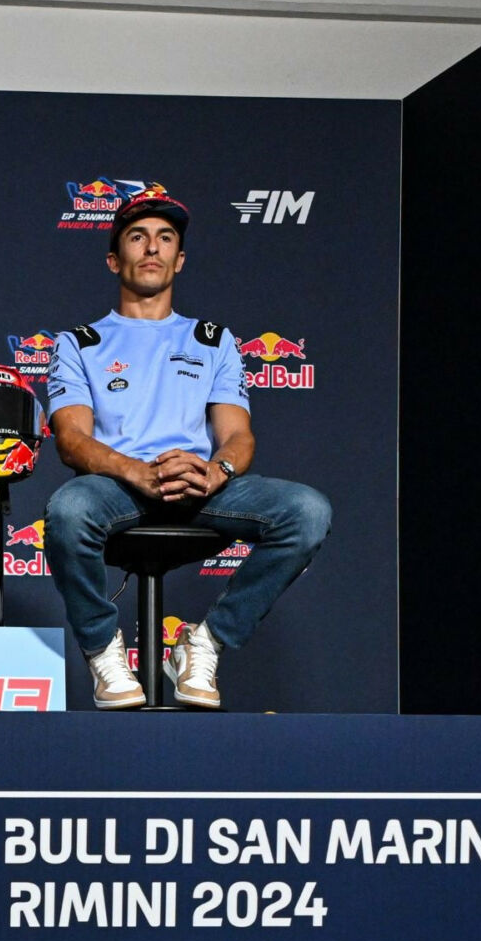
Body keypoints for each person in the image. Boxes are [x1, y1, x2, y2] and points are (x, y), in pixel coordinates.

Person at [44, 187, 331, 710]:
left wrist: (216, 471)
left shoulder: (213, 339)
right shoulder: (79, 342)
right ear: (114, 259)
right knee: (68, 509)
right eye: (137, 237)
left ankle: (207, 642)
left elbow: (238, 437)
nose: (151, 248)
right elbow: (71, 440)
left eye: (165, 238)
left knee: (307, 511)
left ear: (179, 259)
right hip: (119, 489)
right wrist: (136, 471)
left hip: (199, 488)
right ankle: (103, 650)